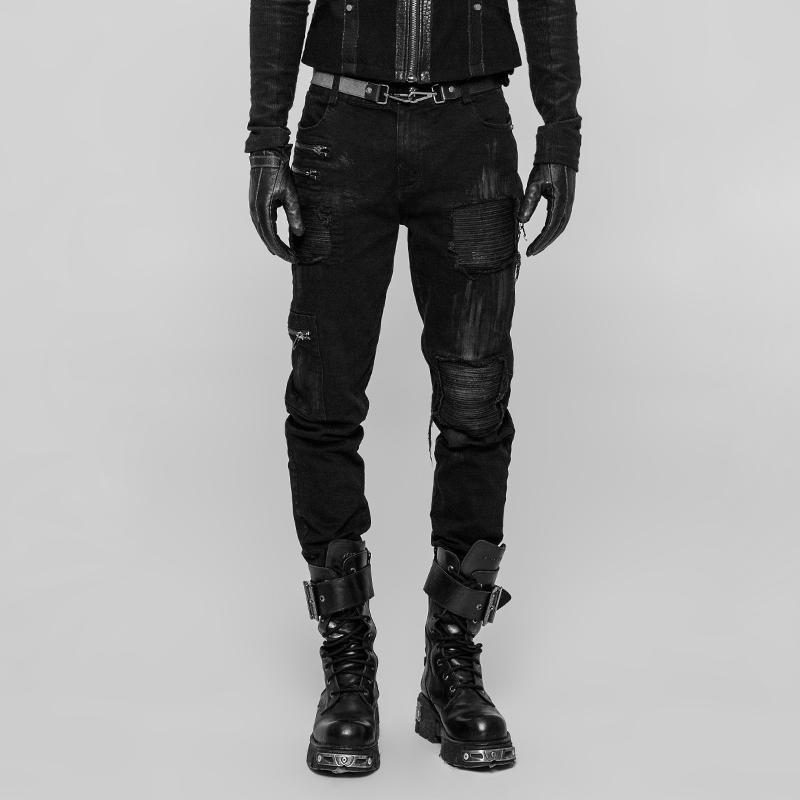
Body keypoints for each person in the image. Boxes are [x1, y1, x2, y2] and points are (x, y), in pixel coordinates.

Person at [246, 0, 581, 774]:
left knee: (474, 402)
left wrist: (560, 135)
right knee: (325, 399)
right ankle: (348, 669)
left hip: (471, 137)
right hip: (341, 133)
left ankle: (451, 662)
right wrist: (265, 139)